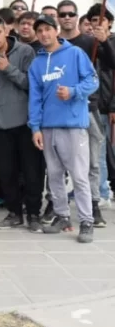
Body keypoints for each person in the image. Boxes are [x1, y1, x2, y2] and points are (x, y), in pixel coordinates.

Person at [28, 14, 98, 244]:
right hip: (48, 128)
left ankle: (87, 221)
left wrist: (73, 91)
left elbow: (92, 81)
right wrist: (35, 127)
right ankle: (62, 216)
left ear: (55, 30)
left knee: (79, 176)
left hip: (73, 126)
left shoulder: (75, 54)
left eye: (47, 29)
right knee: (54, 175)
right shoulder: (37, 63)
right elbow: (35, 98)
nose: (44, 34)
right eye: (40, 31)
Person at [0, 17, 42, 231]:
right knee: (6, 173)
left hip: (26, 123)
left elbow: (33, 85)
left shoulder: (25, 52)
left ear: (6, 30)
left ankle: (33, 214)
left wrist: (8, 68)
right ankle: (14, 213)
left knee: (32, 171)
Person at [55, 0, 114, 227]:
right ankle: (57, 207)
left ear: (76, 16)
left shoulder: (91, 42)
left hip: (89, 108)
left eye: (71, 14)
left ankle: (94, 205)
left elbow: (112, 63)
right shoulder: (54, 43)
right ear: (58, 18)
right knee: (58, 163)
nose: (67, 17)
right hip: (60, 110)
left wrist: (105, 41)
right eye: (63, 14)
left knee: (92, 161)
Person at [86, 4, 115, 207]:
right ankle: (99, 189)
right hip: (92, 103)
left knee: (106, 150)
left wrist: (105, 42)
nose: (97, 24)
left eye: (101, 20)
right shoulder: (88, 44)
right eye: (93, 20)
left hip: (108, 105)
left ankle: (104, 191)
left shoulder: (110, 42)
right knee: (97, 150)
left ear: (110, 23)